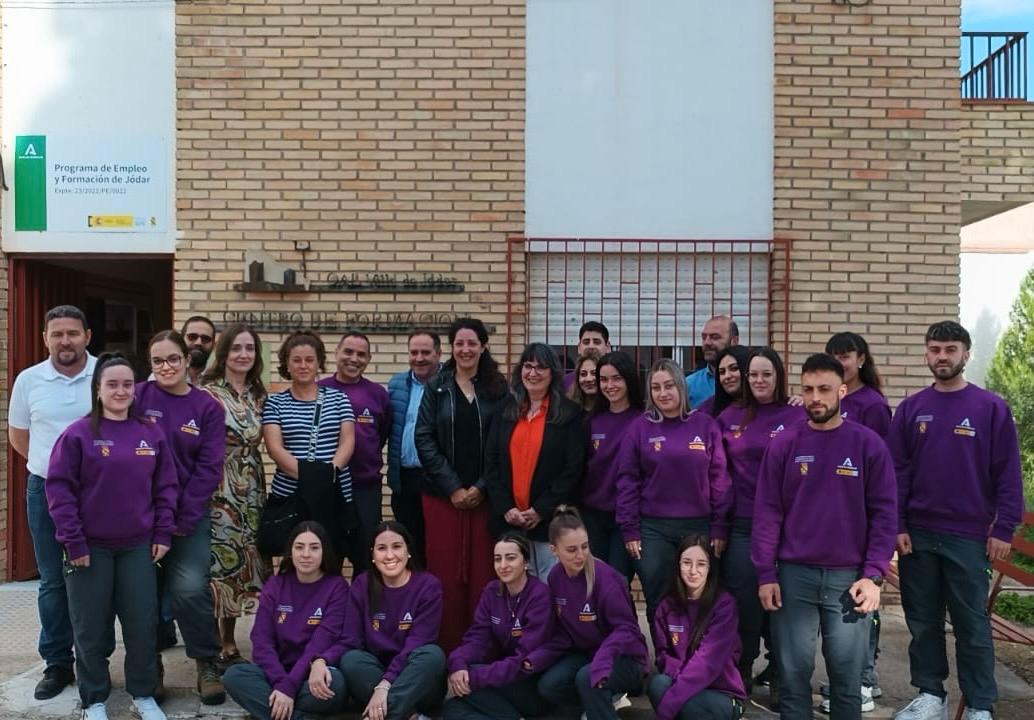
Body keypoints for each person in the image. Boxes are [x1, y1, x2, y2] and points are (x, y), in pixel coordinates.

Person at [890, 321, 1024, 720]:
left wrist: (1003, 528)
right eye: (935, 349)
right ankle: (931, 695)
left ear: (966, 354)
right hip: (918, 534)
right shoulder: (911, 409)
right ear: (926, 355)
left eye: (950, 349)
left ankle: (979, 705)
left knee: (972, 625)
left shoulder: (990, 408)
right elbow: (896, 472)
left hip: (968, 536)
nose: (942, 357)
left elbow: (1008, 474)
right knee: (923, 621)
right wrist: (897, 524)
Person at [752, 353, 897, 720]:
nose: (816, 397)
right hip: (793, 576)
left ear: (842, 391)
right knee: (792, 678)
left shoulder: (868, 445)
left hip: (850, 580)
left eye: (825, 389)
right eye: (809, 389)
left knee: (846, 682)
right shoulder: (784, 444)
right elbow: (768, 512)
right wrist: (766, 574)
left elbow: (884, 515)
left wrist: (874, 574)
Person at [46, 353, 178, 720]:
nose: (120, 391)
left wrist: (163, 532)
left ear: (134, 390)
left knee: (141, 625)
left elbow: (166, 488)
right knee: (89, 629)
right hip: (89, 549)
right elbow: (59, 491)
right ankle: (94, 700)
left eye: (126, 384)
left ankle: (143, 693)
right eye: (111, 384)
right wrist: (73, 541)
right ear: (98, 389)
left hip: (138, 547)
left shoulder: (150, 434)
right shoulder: (78, 434)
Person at [8, 305, 97, 700]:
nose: (65, 340)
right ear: (46, 338)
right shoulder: (29, 381)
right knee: (52, 580)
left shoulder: (106, 375)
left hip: (98, 493)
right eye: (57, 333)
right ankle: (57, 662)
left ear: (87, 336)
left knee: (95, 579)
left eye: (73, 333)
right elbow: (19, 436)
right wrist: (52, 468)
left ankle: (93, 661)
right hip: (44, 490)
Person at [135, 330, 228, 704]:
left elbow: (209, 469)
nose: (166, 367)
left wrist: (178, 521)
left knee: (189, 589)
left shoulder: (206, 407)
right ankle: (150, 663)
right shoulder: (138, 396)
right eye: (158, 361)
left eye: (173, 358)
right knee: (142, 594)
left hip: (187, 517)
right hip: (138, 517)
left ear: (187, 360)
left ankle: (206, 661)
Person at [616, 358, 732, 627]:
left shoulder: (705, 425)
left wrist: (719, 527)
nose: (663, 393)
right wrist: (630, 529)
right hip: (653, 529)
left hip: (699, 527)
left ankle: (695, 660)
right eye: (656, 388)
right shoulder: (640, 428)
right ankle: (665, 660)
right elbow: (627, 482)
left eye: (669, 386)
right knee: (659, 598)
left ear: (681, 387)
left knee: (700, 597)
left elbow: (720, 480)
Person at [415, 317, 508, 650]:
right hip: (442, 497)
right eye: (459, 344)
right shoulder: (436, 388)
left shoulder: (499, 389)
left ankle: (483, 646)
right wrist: (452, 486)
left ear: (483, 346)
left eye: (472, 343)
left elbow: (504, 443)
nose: (466, 349)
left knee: (485, 572)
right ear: (451, 349)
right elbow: (423, 437)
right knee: (445, 573)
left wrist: (481, 486)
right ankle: (445, 648)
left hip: (487, 497)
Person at [716, 347, 802, 696]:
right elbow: (719, 477)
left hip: (789, 527)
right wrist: (719, 526)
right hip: (742, 525)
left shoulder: (796, 415)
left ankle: (784, 674)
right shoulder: (729, 418)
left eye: (767, 374)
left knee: (786, 605)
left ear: (779, 376)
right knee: (744, 602)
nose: (759, 381)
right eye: (753, 375)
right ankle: (742, 668)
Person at [822, 331, 891, 712]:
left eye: (846, 355)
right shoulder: (830, 399)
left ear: (861, 359)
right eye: (833, 355)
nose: (840, 361)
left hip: (860, 522)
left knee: (865, 602)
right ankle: (851, 677)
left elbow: (882, 468)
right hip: (832, 524)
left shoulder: (872, 405)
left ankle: (864, 679)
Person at [222, 521, 350, 720]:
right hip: (277, 673)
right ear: (290, 552)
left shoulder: (337, 587)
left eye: (314, 548)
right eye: (299, 547)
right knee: (234, 676)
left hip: (313, 674)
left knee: (336, 684)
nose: (306, 554)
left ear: (324, 552)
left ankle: (275, 712)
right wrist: (283, 684)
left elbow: (321, 641)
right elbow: (262, 641)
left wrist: (289, 687)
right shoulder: (276, 584)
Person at [200, 323, 270, 665]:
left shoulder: (259, 394)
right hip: (217, 486)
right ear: (224, 352)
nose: (244, 354)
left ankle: (235, 633)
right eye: (237, 348)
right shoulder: (207, 391)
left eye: (250, 349)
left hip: (252, 486)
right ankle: (220, 641)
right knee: (220, 563)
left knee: (248, 563)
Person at [537, 506, 648, 720]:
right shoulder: (554, 578)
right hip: (587, 654)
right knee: (549, 685)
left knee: (588, 677)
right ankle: (601, 702)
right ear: (554, 550)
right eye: (571, 550)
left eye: (585, 547)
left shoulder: (606, 578)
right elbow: (562, 632)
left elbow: (626, 629)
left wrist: (603, 661)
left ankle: (602, 702)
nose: (580, 555)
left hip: (626, 659)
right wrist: (534, 657)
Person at [485, 343, 585, 577]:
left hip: (550, 524)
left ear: (553, 373)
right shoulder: (505, 411)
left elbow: (573, 469)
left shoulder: (569, 415)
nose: (533, 373)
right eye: (528, 366)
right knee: (515, 590)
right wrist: (506, 507)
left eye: (541, 367)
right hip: (509, 524)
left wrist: (540, 509)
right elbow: (491, 464)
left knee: (551, 589)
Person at [334, 522, 447, 720]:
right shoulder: (362, 585)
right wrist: (320, 661)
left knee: (432, 655)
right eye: (381, 548)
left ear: (408, 551)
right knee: (351, 659)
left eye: (396, 546)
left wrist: (386, 684)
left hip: (416, 681)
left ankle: (384, 715)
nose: (389, 555)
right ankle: (410, 716)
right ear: (372, 555)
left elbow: (417, 643)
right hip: (373, 679)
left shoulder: (428, 586)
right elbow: (350, 640)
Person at [262, 330, 357, 559]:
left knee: (330, 556)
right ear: (287, 363)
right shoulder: (275, 403)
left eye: (309, 359)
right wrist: (311, 479)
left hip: (333, 491)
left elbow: (348, 440)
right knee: (294, 558)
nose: (303, 365)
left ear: (319, 363)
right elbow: (275, 449)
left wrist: (329, 474)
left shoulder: (339, 398)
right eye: (296, 360)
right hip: (291, 494)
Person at [442, 533, 556, 720]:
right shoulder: (492, 591)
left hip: (531, 683)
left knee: (465, 686)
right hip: (504, 678)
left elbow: (525, 658)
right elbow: (477, 638)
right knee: (452, 709)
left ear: (525, 562)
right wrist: (458, 664)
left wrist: (475, 677)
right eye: (497, 559)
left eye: (510, 558)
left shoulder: (539, 595)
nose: (503, 565)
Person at [649, 535, 747, 720]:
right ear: (678, 565)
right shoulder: (667, 606)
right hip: (682, 683)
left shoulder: (724, 605)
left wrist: (666, 710)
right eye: (687, 562)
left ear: (710, 569)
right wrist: (681, 674)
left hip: (720, 693)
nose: (693, 570)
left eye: (701, 564)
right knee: (658, 685)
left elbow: (708, 663)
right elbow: (663, 656)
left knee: (685, 705)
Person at [319, 331, 391, 575]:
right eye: (348, 352)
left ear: (369, 359)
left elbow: (381, 435)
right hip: (328, 488)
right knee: (328, 558)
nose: (354, 358)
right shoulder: (319, 390)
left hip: (365, 489)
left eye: (361, 354)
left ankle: (365, 612)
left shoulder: (378, 394)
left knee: (366, 559)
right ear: (336, 353)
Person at [581, 351, 643, 579]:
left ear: (628, 379)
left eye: (616, 378)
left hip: (626, 518)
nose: (609, 385)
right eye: (604, 380)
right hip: (593, 516)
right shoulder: (591, 421)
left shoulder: (644, 420)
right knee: (594, 582)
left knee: (618, 581)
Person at [386, 330, 442, 566]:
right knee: (408, 546)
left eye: (426, 352)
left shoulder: (449, 384)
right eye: (414, 352)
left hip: (437, 480)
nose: (419, 358)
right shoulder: (396, 384)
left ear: (438, 354)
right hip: (404, 479)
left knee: (436, 546)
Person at [826, 331, 891, 437]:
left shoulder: (874, 405)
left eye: (844, 357)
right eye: (832, 358)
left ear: (861, 360)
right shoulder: (823, 398)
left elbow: (879, 449)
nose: (836, 364)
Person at [685, 316, 740, 409]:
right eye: (704, 337)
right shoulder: (689, 385)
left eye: (715, 337)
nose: (707, 343)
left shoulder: (751, 380)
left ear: (734, 341)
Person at [696, 346, 751, 418]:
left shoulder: (764, 404)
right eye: (722, 372)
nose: (727, 376)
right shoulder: (708, 408)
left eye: (734, 368)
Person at [563, 321, 612, 391]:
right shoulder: (566, 382)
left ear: (608, 347)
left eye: (596, 342)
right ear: (579, 348)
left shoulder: (614, 381)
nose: (591, 346)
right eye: (586, 342)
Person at [181, 315, 218, 385]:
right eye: (192, 337)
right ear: (181, 340)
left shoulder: (220, 382)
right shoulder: (165, 377)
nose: (198, 343)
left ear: (213, 345)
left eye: (205, 338)